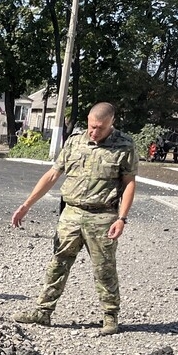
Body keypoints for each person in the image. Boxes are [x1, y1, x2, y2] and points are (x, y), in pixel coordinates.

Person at [11, 102, 137, 336]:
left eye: (99, 127)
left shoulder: (125, 145)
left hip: (103, 215)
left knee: (104, 268)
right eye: (91, 126)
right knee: (59, 262)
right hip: (71, 213)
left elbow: (130, 183)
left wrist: (122, 218)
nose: (94, 132)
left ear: (112, 122)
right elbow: (52, 175)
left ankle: (110, 316)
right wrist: (27, 205)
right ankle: (43, 311)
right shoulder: (74, 142)